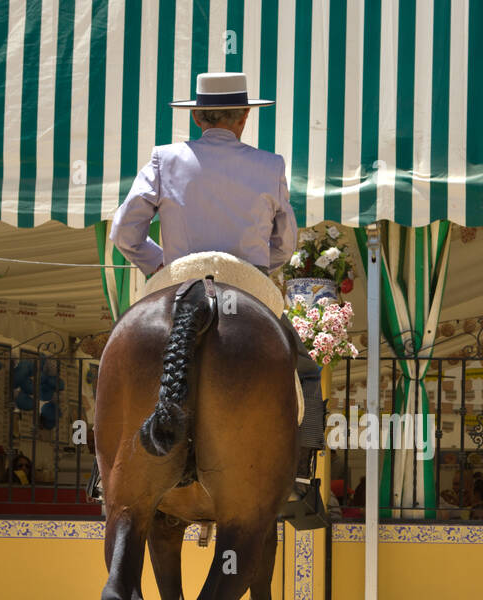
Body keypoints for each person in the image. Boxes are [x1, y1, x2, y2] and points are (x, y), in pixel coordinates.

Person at [103, 73, 325, 521]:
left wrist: (162, 266)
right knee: (305, 375)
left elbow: (124, 233)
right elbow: (285, 245)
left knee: (117, 372)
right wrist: (254, 268)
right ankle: (299, 478)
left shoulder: (165, 158)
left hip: (178, 281)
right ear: (244, 118)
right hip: (247, 286)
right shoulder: (270, 165)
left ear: (198, 117)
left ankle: (104, 474)